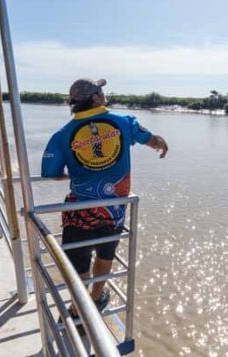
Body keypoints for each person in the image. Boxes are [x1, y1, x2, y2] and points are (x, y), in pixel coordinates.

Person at [41, 78, 168, 311]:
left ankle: (78, 307)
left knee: (78, 263)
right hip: (114, 210)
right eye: (101, 90)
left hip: (79, 210)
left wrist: (74, 175)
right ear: (97, 98)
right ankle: (96, 297)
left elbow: (50, 173)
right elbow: (152, 141)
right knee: (105, 255)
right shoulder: (124, 122)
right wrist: (162, 145)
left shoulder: (61, 135)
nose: (104, 94)